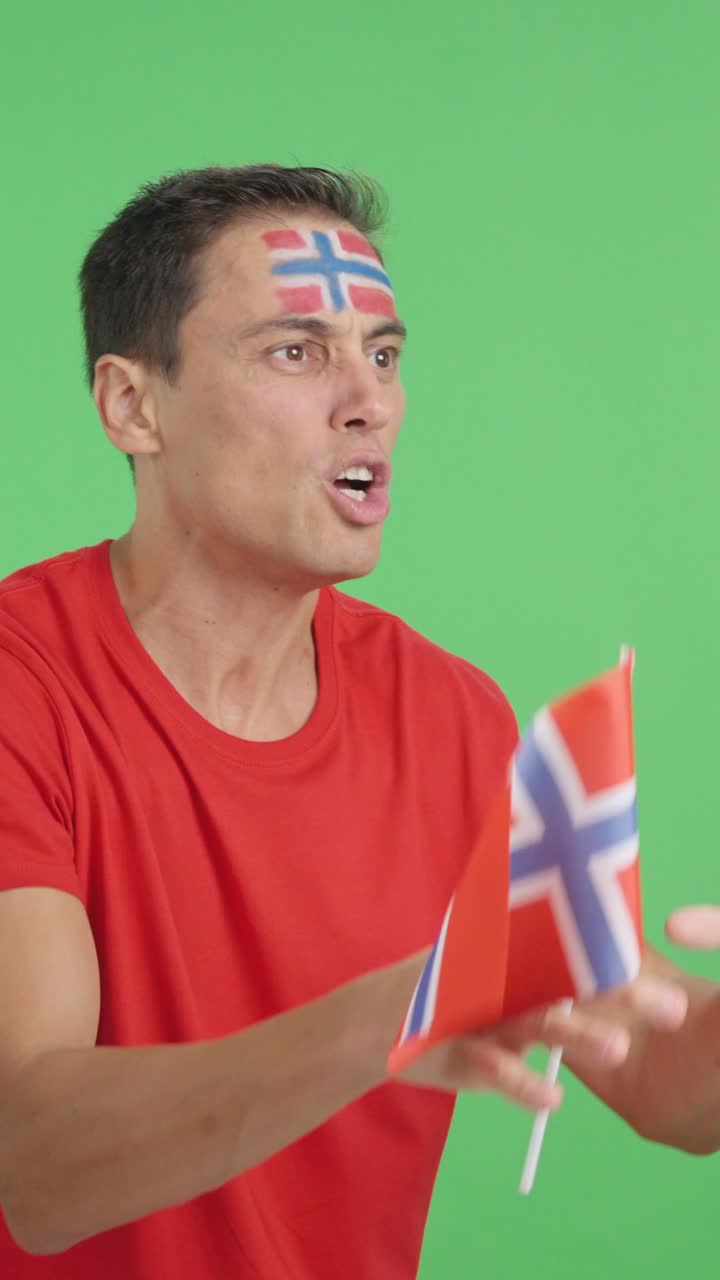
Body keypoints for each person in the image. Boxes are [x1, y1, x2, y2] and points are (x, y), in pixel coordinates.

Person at [0, 164, 715, 1280]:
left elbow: (657, 1081)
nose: (369, 399)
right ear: (133, 405)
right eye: (298, 350)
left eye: (383, 354)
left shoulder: (453, 717)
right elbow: (32, 1161)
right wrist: (408, 1006)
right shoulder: (22, 683)